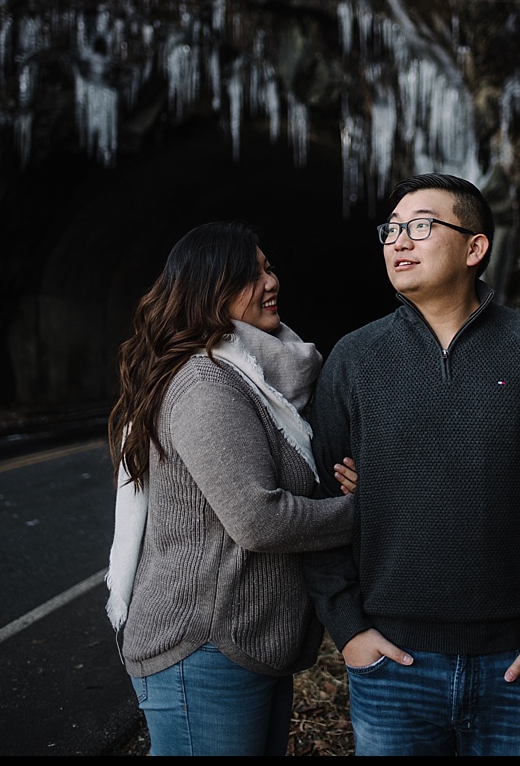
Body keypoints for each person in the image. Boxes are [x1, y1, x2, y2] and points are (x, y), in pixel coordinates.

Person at [304, 172, 520, 756]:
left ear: (475, 248)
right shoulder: (354, 358)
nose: (399, 241)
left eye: (420, 226)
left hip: (517, 663)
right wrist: (347, 630)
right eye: (391, 230)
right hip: (392, 664)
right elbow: (322, 503)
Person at [105, 220, 357, 756]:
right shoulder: (207, 383)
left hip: (247, 641)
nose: (273, 281)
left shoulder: (258, 382)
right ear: (211, 288)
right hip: (205, 649)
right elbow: (259, 520)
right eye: (255, 271)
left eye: (270, 267)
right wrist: (367, 510)